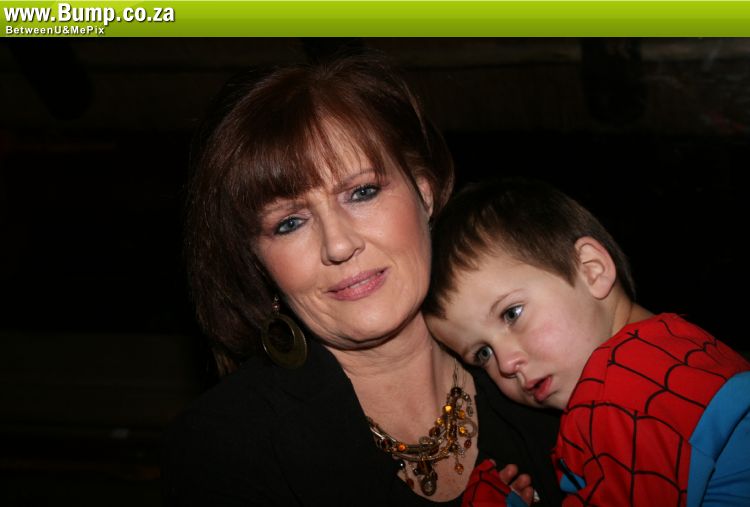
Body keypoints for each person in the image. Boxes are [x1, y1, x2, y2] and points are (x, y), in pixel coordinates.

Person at [161, 55, 564, 506]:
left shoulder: (556, 373)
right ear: (258, 263)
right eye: (290, 223)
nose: (338, 245)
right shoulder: (224, 452)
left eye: (362, 192)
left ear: (424, 193)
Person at [423, 178, 750, 506]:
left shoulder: (616, 394)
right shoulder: (683, 345)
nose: (506, 363)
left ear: (591, 270)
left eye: (512, 313)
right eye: (483, 353)